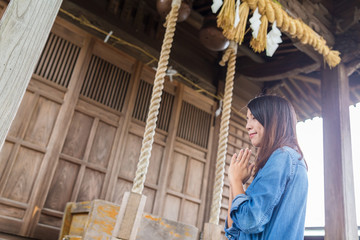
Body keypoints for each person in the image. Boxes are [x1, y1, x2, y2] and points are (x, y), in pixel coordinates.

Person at [225, 95, 308, 240]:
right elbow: (234, 229)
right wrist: (235, 183)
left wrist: (236, 181)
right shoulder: (283, 159)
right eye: (247, 119)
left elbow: (249, 221)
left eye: (254, 118)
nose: (247, 126)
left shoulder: (283, 157)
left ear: (273, 119)